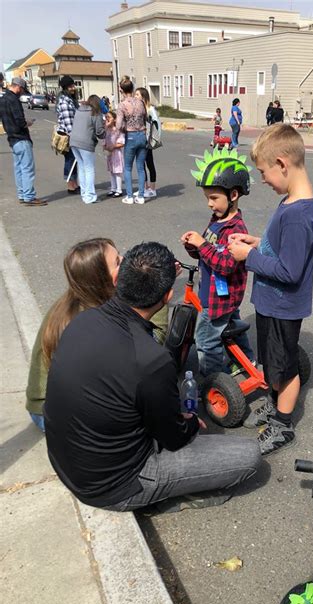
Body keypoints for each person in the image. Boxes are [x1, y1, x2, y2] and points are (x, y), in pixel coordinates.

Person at [44, 241, 261, 511]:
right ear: (169, 296)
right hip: (113, 486)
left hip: (71, 463)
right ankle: (164, 498)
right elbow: (175, 438)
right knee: (249, 456)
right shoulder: (152, 361)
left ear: (119, 279)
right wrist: (191, 423)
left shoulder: (83, 321)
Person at [228, 124, 313, 456]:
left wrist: (249, 257)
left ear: (282, 163)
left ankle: (283, 423)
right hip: (271, 304)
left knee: (285, 368)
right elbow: (280, 250)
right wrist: (257, 244)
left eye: (264, 172)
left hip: (282, 305)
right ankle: (274, 399)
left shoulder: (296, 214)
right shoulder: (290, 201)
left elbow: (290, 272)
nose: (262, 179)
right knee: (272, 362)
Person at [26, 238, 170, 433]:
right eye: (118, 261)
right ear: (102, 278)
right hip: (52, 413)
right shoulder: (94, 320)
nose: (126, 260)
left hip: (48, 404)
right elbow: (148, 350)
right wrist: (156, 296)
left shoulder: (74, 302)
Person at [181, 149, 254, 377]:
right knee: (233, 327)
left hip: (217, 301)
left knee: (206, 341)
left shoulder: (236, 230)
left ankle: (213, 381)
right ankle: (246, 359)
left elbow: (225, 265)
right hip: (219, 295)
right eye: (207, 199)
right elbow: (207, 254)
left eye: (214, 198)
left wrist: (202, 244)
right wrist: (193, 246)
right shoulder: (218, 220)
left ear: (233, 195)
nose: (210, 205)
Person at [0, 77, 47, 206]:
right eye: (22, 90)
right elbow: (20, 121)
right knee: (27, 168)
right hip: (21, 137)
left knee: (19, 168)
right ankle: (29, 196)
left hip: (12, 138)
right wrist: (28, 123)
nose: (22, 93)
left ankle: (22, 194)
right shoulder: (14, 100)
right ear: (18, 87)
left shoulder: (3, 99)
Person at [116, 77, 147, 205]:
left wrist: (124, 129)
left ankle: (129, 196)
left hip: (131, 135)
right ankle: (141, 195)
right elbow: (145, 117)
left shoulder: (122, 105)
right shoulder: (140, 103)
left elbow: (118, 125)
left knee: (128, 167)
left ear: (121, 90)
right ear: (133, 89)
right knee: (141, 167)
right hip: (142, 134)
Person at [69, 95, 106, 204]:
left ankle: (84, 194)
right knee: (89, 169)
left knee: (81, 167)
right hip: (86, 143)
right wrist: (106, 130)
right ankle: (90, 196)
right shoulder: (96, 113)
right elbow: (99, 132)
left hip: (74, 141)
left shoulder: (79, 110)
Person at [135, 87, 161, 198]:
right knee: (141, 164)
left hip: (147, 141)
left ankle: (152, 188)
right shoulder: (139, 108)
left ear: (143, 96)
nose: (135, 96)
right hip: (140, 139)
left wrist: (155, 139)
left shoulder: (150, 110)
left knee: (149, 163)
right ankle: (145, 188)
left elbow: (157, 125)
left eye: (137, 94)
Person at [56, 75, 79, 194]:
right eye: (71, 86)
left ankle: (75, 183)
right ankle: (70, 184)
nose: (73, 88)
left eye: (73, 85)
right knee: (70, 159)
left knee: (74, 159)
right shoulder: (64, 102)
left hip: (72, 133)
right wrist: (73, 136)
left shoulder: (71, 100)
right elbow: (68, 121)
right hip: (67, 135)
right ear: (65, 87)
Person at [104, 110, 125, 197]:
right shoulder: (106, 129)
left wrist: (114, 146)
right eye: (106, 117)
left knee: (117, 171)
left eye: (109, 117)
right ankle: (113, 188)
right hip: (109, 153)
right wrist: (105, 146)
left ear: (115, 119)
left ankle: (119, 189)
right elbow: (103, 140)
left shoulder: (118, 130)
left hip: (116, 153)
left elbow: (122, 142)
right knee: (111, 171)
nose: (107, 119)